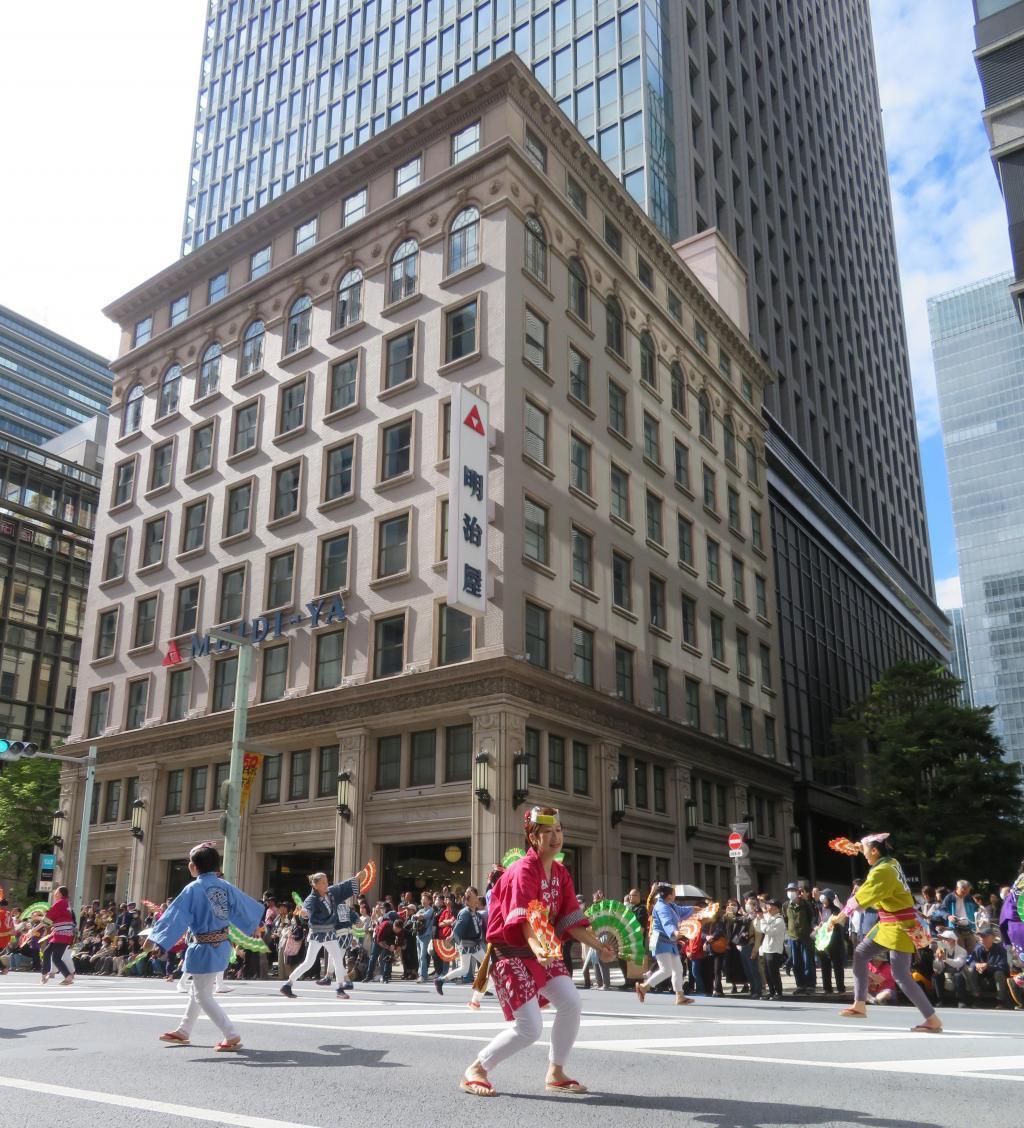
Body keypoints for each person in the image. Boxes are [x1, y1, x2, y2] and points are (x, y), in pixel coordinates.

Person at [458, 806, 614, 1097]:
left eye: (558, 830)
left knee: (571, 1003)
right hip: (512, 952)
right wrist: (537, 947)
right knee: (530, 1027)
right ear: (533, 837)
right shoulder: (523, 870)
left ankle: (556, 1071)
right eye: (547, 832)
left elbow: (569, 919)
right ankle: (477, 1069)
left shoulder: (561, 872)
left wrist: (599, 945)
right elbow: (524, 919)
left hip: (542, 952)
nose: (555, 837)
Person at [145, 842, 264, 1051]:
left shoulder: (193, 888)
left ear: (193, 867)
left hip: (204, 947)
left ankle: (231, 1033)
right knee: (197, 990)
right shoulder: (225, 886)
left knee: (202, 994)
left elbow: (175, 916)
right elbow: (244, 907)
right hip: (221, 946)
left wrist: (156, 939)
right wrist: (254, 925)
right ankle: (183, 1031)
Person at [827, 832, 941, 1033]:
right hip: (890, 923)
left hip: (900, 925)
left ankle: (932, 1019)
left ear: (874, 850)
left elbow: (862, 896)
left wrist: (839, 916)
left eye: (865, 851)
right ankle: (859, 1005)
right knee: (861, 954)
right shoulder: (891, 862)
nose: (863, 855)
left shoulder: (881, 872)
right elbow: (870, 883)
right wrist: (859, 846)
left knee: (901, 974)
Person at [281, 869, 368, 1000]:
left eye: (327, 882)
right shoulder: (312, 899)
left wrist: (355, 879)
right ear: (315, 885)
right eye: (323, 882)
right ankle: (288, 984)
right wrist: (303, 912)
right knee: (308, 962)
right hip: (317, 933)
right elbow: (307, 910)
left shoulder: (330, 893)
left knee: (338, 959)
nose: (326, 884)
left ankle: (340, 988)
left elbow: (342, 887)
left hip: (329, 933)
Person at [635, 883, 695, 1006]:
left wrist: (699, 909)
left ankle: (680, 996)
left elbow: (683, 910)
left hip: (670, 941)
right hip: (661, 941)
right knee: (666, 970)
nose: (675, 894)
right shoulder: (661, 907)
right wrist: (674, 932)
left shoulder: (670, 905)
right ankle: (644, 987)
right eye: (673, 892)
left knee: (678, 969)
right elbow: (666, 922)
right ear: (669, 896)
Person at [435, 887, 484, 998]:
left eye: (475, 896)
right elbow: (459, 927)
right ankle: (441, 980)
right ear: (467, 901)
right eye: (473, 897)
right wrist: (453, 937)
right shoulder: (465, 912)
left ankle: (481, 986)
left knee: (486, 965)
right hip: (467, 944)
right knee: (464, 969)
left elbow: (457, 923)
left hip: (475, 944)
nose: (476, 899)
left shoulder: (472, 912)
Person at [963, 926, 1012, 1009]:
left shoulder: (1000, 949)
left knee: (999, 973)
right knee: (971, 969)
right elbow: (970, 961)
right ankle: (977, 998)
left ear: (992, 938)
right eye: (980, 936)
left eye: (984, 936)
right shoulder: (977, 948)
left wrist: (987, 966)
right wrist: (976, 964)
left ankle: (1001, 1001)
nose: (982, 938)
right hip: (982, 974)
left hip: (994, 975)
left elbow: (1003, 967)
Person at [783, 884, 816, 995]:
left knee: (808, 961)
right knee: (796, 963)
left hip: (806, 937)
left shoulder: (806, 904)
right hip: (793, 937)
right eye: (789, 890)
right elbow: (786, 920)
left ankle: (810, 985)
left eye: (793, 890)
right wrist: (789, 932)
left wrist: (812, 930)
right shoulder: (786, 905)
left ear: (798, 892)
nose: (790, 892)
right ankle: (800, 985)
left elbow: (812, 918)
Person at [41, 885, 76, 985]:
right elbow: (51, 920)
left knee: (53, 956)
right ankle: (49, 975)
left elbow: (47, 920)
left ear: (60, 893)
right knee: (50, 953)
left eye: (55, 892)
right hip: (63, 934)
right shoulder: (66, 903)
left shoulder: (60, 903)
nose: (54, 894)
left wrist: (33, 929)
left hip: (62, 934)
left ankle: (47, 975)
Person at [757, 899, 787, 1000]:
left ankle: (779, 992)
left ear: (777, 908)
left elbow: (768, 931)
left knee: (773, 972)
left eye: (771, 905)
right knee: (767, 972)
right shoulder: (769, 918)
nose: (768, 907)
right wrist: (760, 918)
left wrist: (762, 920)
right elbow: (759, 928)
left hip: (774, 949)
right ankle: (771, 991)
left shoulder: (779, 920)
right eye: (768, 905)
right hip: (766, 949)